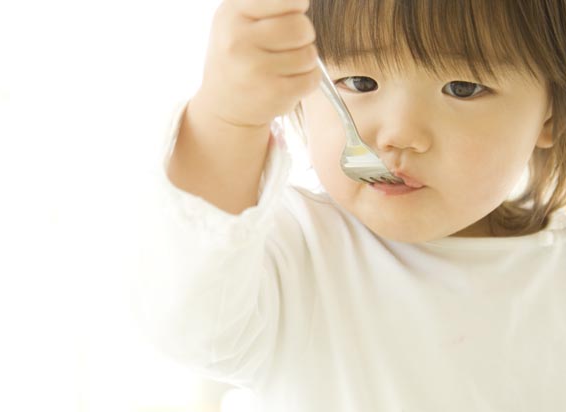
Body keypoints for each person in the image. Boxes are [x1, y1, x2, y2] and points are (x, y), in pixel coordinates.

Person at [134, 0, 566, 410]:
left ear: (550, 113)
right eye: (360, 83)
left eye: (462, 88)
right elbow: (191, 325)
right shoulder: (299, 253)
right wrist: (228, 117)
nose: (398, 133)